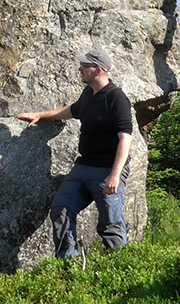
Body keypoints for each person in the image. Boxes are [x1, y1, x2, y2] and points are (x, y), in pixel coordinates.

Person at [16, 48, 134, 263]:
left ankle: (122, 271)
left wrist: (115, 176)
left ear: (97, 70)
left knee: (110, 225)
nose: (80, 69)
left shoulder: (116, 98)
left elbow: (125, 139)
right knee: (60, 209)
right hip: (83, 168)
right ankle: (68, 266)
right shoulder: (89, 94)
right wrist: (41, 115)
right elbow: (72, 111)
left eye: (84, 66)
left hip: (107, 170)